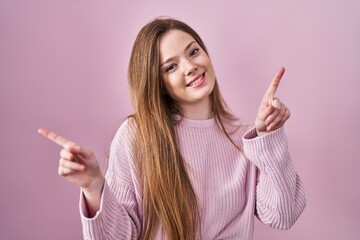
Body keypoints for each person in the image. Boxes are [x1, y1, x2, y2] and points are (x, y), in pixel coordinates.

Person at [38, 17, 306, 240]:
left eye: (193, 51)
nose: (191, 67)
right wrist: (93, 186)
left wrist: (268, 136)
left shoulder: (245, 139)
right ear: (157, 83)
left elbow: (283, 215)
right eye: (171, 66)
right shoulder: (136, 136)